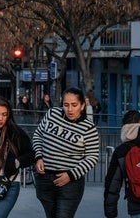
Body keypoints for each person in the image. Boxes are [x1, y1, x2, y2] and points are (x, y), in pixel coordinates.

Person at [32, 87, 100, 218]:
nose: (69, 109)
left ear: (82, 105)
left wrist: (71, 175)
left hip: (70, 183)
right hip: (45, 178)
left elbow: (92, 157)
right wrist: (38, 157)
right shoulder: (52, 114)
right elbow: (37, 136)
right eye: (66, 105)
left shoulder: (89, 128)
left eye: (74, 105)